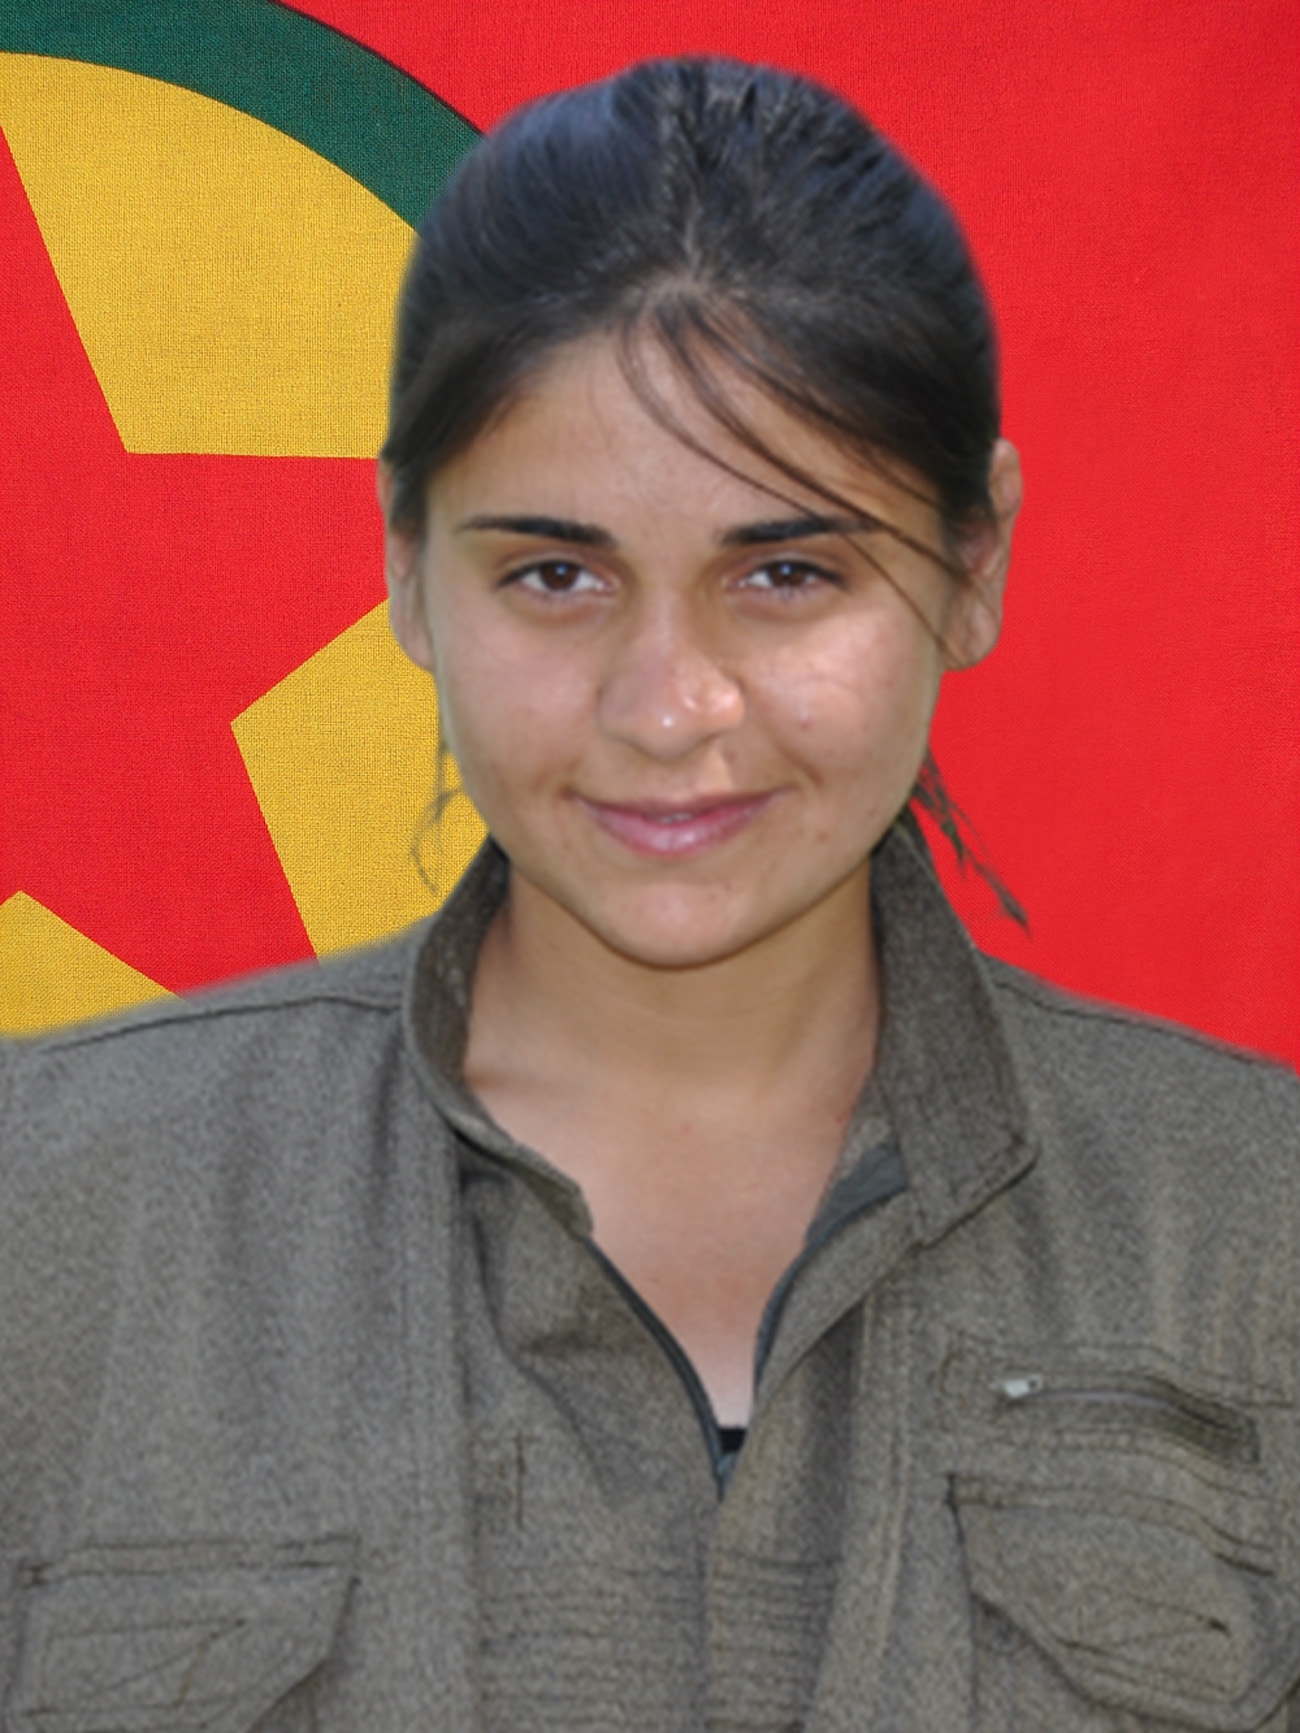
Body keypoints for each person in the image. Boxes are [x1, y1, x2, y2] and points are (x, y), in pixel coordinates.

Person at [1, 55, 1298, 1732]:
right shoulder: (49, 1217)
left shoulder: (1255, 1228)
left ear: (974, 562)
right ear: (407, 565)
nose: (668, 704)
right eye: (556, 572)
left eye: (787, 571)